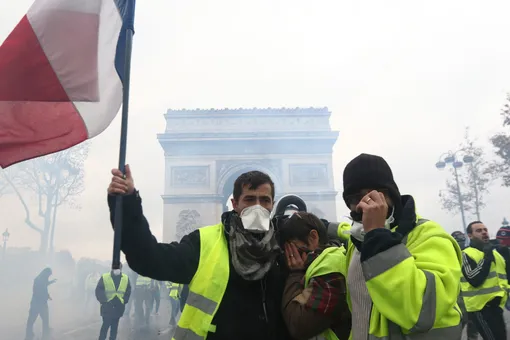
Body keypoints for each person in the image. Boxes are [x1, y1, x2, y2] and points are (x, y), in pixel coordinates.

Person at [107, 166, 290, 340]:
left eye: (264, 200)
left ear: (273, 204)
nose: (258, 207)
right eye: (250, 199)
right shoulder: (204, 243)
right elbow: (149, 258)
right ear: (234, 203)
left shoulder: (287, 247)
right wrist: (128, 204)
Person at [341, 153, 463, 340]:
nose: (367, 204)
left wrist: (377, 233)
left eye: (375, 193)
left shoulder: (430, 235)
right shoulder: (356, 243)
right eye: (356, 197)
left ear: (392, 194)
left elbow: (420, 311)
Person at [279, 211, 351, 340]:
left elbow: (298, 326)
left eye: (293, 249)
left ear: (313, 237)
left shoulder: (330, 269)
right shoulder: (324, 262)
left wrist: (295, 274)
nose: (291, 258)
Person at [461, 221, 509, 340]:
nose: (484, 233)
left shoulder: (496, 253)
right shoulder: (466, 254)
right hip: (480, 308)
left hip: (497, 307)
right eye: (479, 231)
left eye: (485, 230)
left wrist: (507, 255)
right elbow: (474, 279)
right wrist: (486, 258)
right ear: (470, 235)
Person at [95, 263, 132, 340]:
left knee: (114, 328)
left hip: (118, 307)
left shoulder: (125, 278)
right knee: (105, 326)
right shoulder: (105, 277)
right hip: (107, 306)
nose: (117, 270)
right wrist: (104, 301)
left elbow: (128, 290)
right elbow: (99, 290)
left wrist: (124, 301)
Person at [25, 267, 56, 340]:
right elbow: (40, 290)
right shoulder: (41, 279)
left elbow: (44, 285)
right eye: (49, 275)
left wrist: (51, 282)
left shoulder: (39, 278)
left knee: (31, 321)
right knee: (44, 320)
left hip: (35, 303)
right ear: (46, 273)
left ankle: (29, 334)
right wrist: (45, 296)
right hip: (40, 304)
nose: (49, 276)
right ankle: (45, 335)